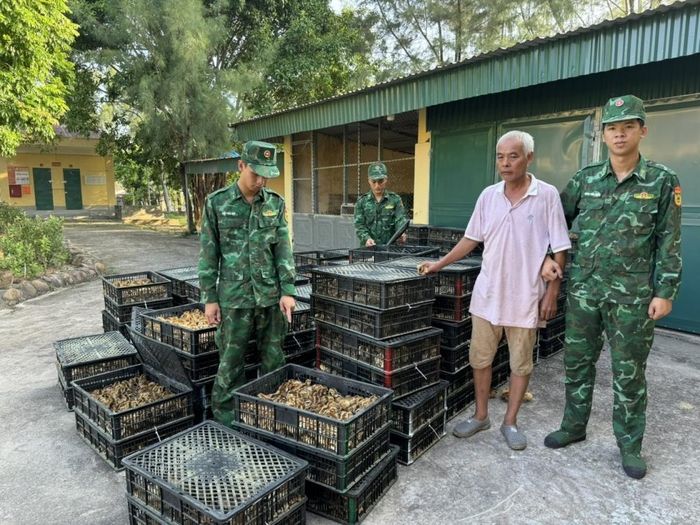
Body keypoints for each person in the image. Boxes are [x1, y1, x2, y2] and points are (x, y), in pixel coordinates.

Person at [541, 95, 682, 479]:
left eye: (628, 126)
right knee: (577, 363)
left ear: (642, 131)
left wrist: (665, 291)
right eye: (612, 128)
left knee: (629, 372)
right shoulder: (585, 180)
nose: (619, 134)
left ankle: (630, 445)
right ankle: (573, 426)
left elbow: (669, 240)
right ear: (603, 135)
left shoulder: (662, 181)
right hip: (585, 291)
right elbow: (553, 223)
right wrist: (548, 257)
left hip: (633, 299)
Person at [419, 130, 570, 450]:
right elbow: (470, 240)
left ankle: (510, 422)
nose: (505, 163)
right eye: (500, 157)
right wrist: (438, 264)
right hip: (487, 296)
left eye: (513, 156)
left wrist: (552, 293)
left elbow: (560, 247)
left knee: (521, 364)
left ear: (529, 158)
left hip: (527, 297)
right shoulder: (488, 196)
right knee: (480, 359)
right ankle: (481, 415)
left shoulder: (546, 195)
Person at [198, 140, 296, 427]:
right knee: (231, 361)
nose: (261, 180)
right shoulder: (217, 203)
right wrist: (210, 297)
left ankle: (270, 417)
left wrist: (288, 291)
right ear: (240, 166)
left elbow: (283, 250)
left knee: (273, 359)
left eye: (266, 175)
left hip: (269, 296)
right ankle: (227, 422)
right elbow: (208, 253)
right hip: (234, 298)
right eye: (256, 173)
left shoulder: (275, 204)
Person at [354, 161, 408, 247]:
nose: (377, 185)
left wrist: (401, 233)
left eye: (380, 181)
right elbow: (359, 225)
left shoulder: (395, 200)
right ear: (369, 181)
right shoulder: (362, 201)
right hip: (368, 250)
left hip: (390, 249)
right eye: (374, 182)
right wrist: (366, 238)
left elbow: (400, 220)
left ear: (386, 180)